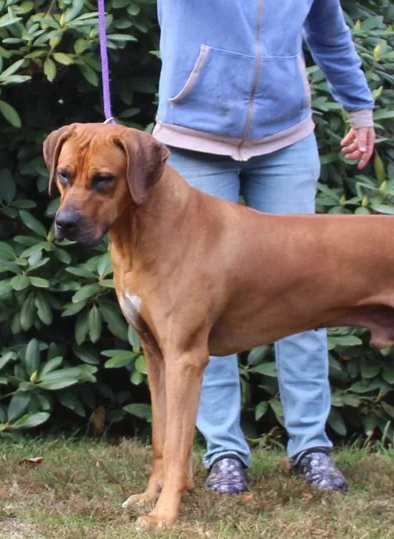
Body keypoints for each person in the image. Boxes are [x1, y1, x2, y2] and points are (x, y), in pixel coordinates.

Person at [152, 0, 375, 494]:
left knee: (308, 298)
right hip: (193, 138)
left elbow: (329, 32)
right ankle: (223, 453)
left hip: (285, 139)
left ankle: (311, 447)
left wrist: (359, 108)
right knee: (197, 309)